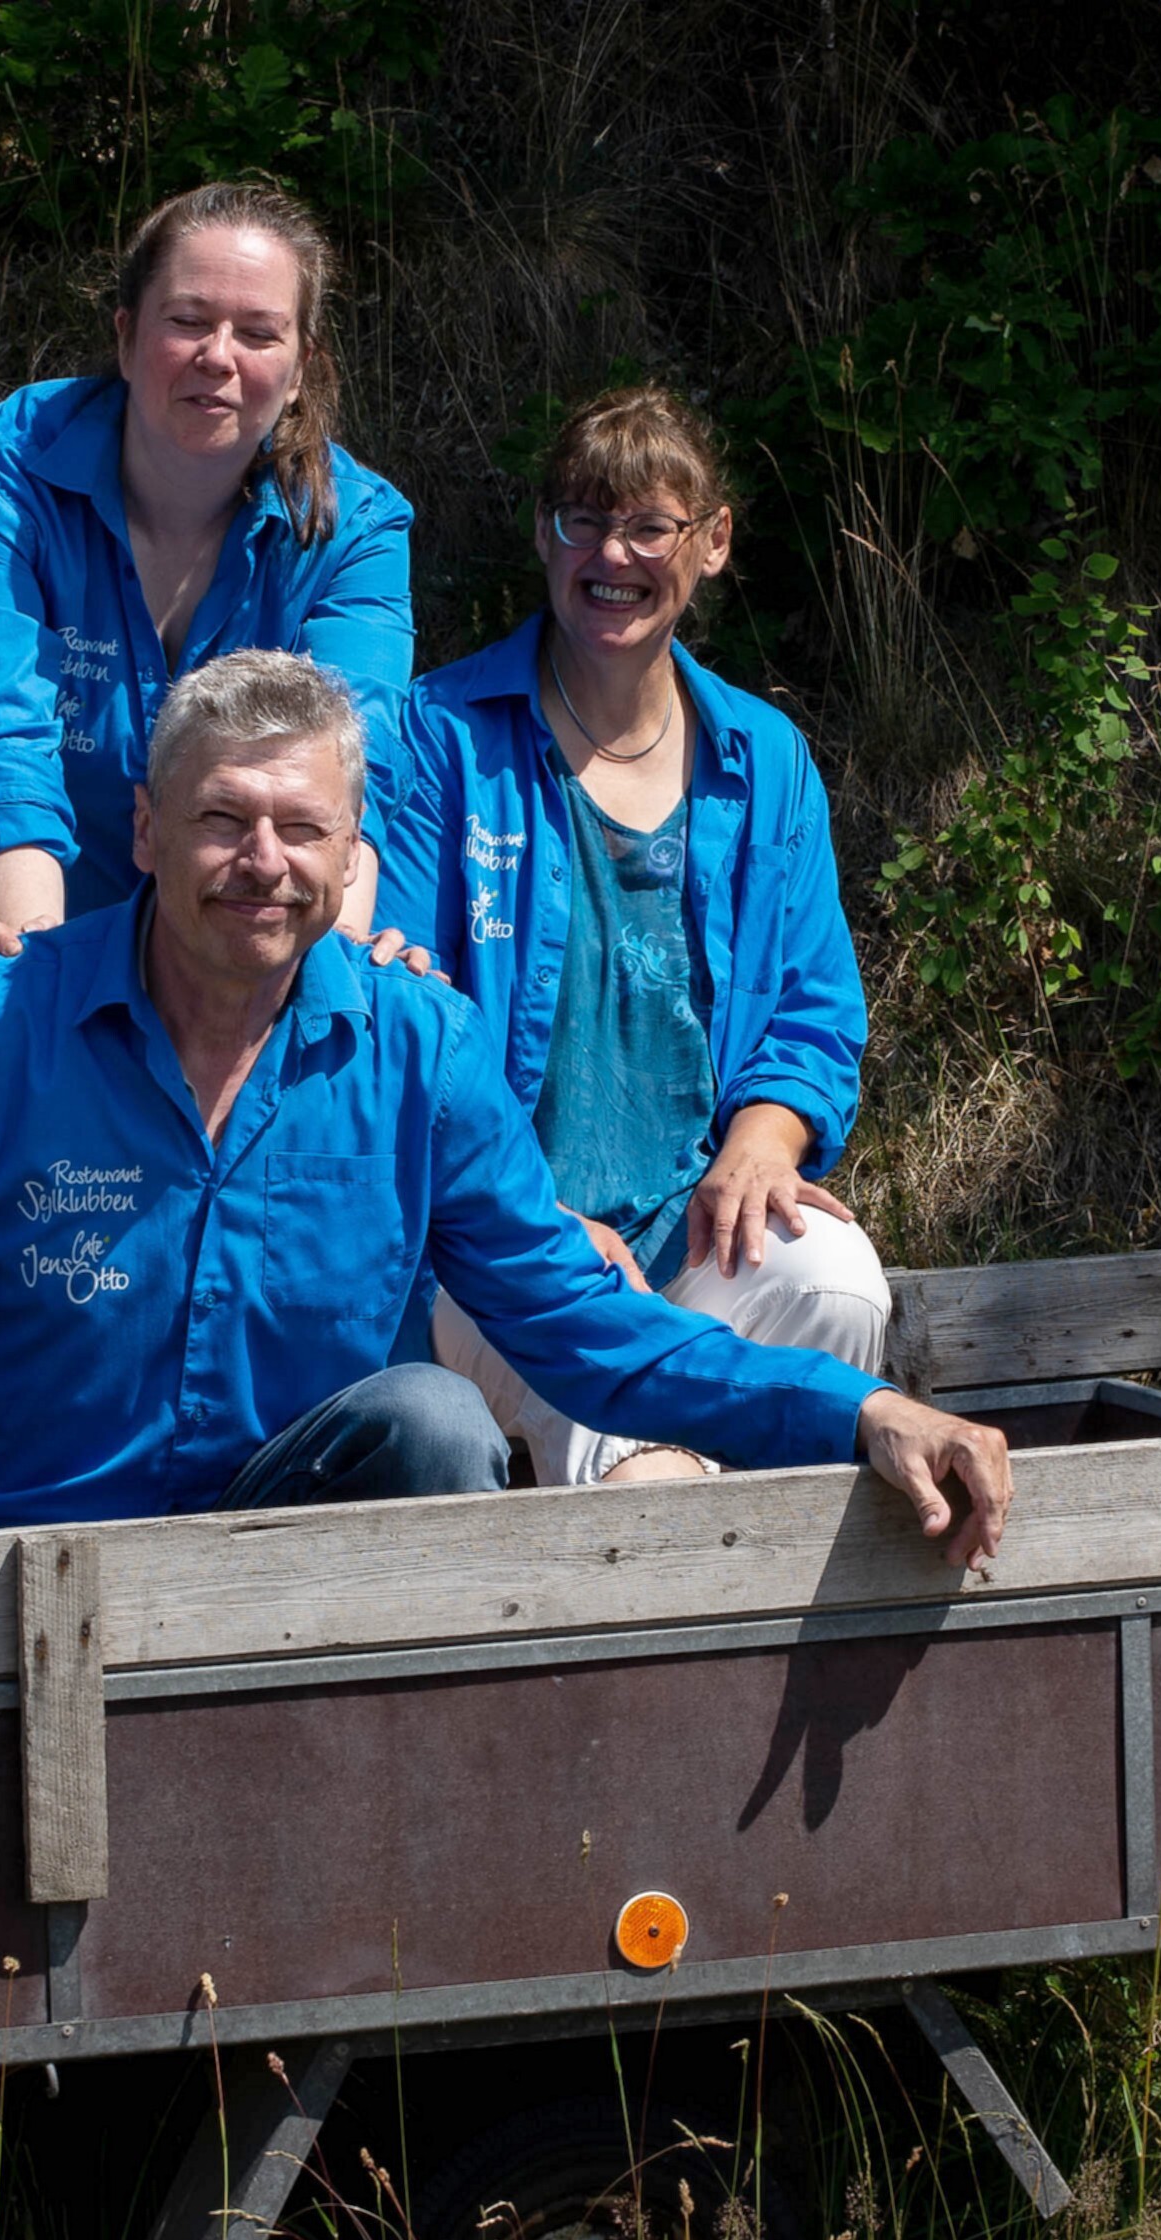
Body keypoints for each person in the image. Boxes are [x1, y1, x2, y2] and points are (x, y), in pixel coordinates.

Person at [0, 650, 1012, 1734]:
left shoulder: (419, 1055)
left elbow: (596, 1336)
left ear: (355, 852)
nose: (260, 863)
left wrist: (856, 1411)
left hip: (267, 1615)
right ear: (141, 829)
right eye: (220, 819)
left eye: (301, 829)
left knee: (436, 1419)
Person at [374, 386, 887, 1486]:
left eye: (650, 526)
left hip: (689, 1226)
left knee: (839, 1284)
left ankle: (790, 1597)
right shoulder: (439, 738)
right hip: (490, 1250)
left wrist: (765, 1140)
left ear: (712, 544)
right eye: (583, 521)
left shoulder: (765, 756)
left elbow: (812, 1006)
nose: (614, 554)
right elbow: (399, 1013)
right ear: (542, 536)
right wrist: (528, 1212)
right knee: (637, 1451)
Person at [0, 181, 413, 1005]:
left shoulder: (357, 527)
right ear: (126, 338)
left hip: (235, 987)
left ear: (303, 368)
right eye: (188, 321)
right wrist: (38, 990)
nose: (220, 356)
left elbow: (349, 768)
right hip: (10, 960)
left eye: (260, 332)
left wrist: (327, 973)